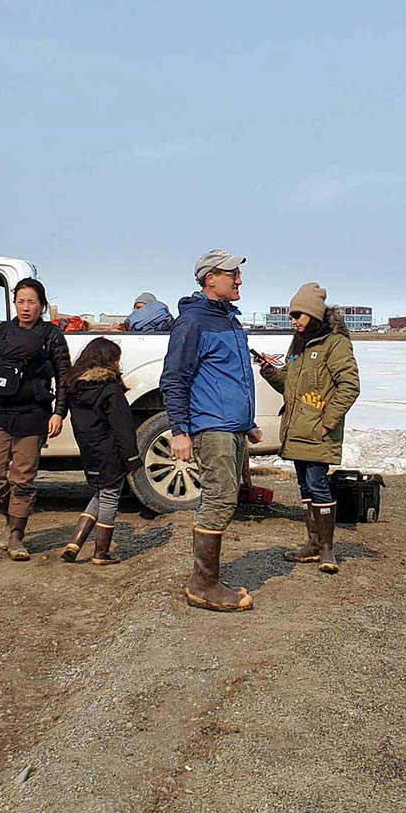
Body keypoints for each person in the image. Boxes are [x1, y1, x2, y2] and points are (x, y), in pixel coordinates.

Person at [161, 248, 262, 612]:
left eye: (238, 274)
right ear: (209, 279)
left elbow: (232, 377)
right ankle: (204, 584)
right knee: (219, 500)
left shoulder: (230, 321)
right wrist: (179, 431)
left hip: (230, 428)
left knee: (223, 498)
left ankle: (205, 579)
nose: (238, 280)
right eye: (231, 274)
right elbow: (174, 379)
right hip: (210, 427)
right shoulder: (193, 323)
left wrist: (247, 423)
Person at [0, 278, 72, 561]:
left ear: (42, 305)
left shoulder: (51, 336)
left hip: (34, 415)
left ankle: (17, 534)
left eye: (31, 302)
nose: (25, 307)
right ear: (14, 303)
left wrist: (59, 412)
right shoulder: (1, 333)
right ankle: (11, 515)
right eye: (20, 301)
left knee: (23, 479)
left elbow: (64, 376)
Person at [257, 282, 360, 574]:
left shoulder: (335, 343)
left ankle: (327, 549)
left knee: (318, 485)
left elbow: (349, 386)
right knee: (305, 486)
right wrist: (269, 372)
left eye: (298, 315)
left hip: (317, 431)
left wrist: (328, 422)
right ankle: (312, 544)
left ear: (313, 314)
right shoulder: (298, 343)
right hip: (297, 430)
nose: (293, 321)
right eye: (292, 315)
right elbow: (289, 386)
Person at [60, 337, 141, 565]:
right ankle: (101, 552)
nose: (118, 365)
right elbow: (123, 427)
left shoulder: (74, 388)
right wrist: (132, 459)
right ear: (108, 360)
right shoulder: (110, 389)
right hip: (111, 450)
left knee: (100, 492)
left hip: (89, 450)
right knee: (110, 497)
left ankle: (74, 544)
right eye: (116, 359)